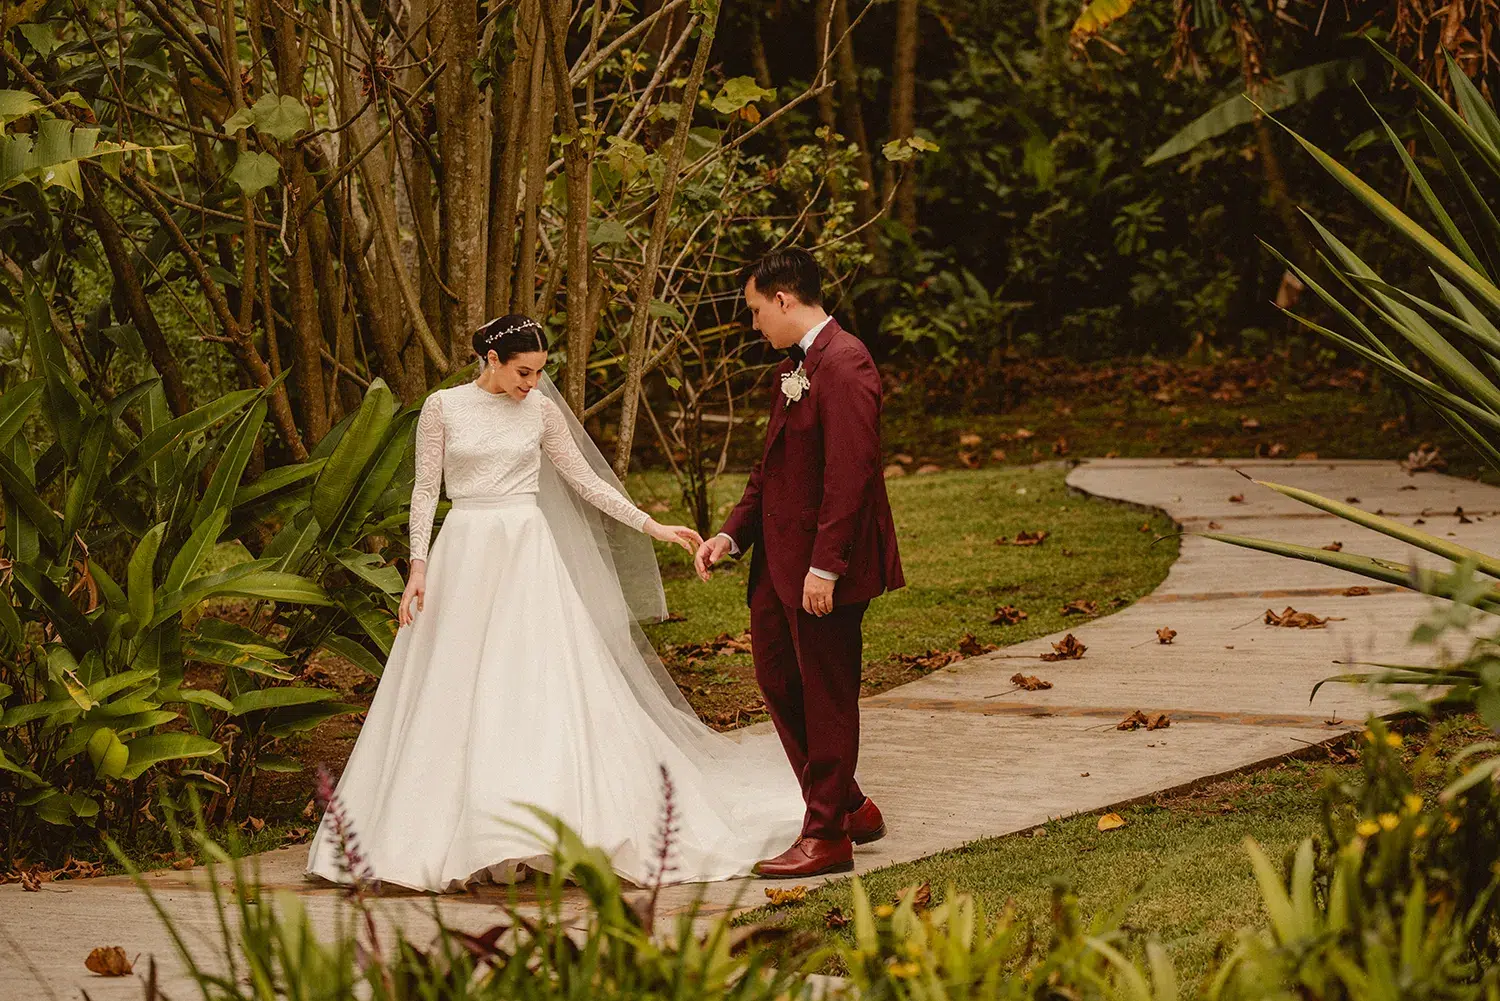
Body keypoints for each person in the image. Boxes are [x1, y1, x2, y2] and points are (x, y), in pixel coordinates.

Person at [306, 315, 804, 892]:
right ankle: (445, 834)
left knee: (534, 685)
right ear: (491, 360)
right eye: (524, 372)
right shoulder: (443, 409)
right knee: (453, 684)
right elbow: (424, 488)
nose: (534, 385)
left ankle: (542, 829)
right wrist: (418, 566)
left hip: (526, 555)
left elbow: (585, 482)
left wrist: (652, 525)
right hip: (465, 551)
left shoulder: (540, 412)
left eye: (542, 373)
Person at [695, 249, 904, 879]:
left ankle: (826, 837)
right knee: (779, 681)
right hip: (777, 564)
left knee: (826, 693)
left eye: (757, 310)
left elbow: (851, 474)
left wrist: (827, 568)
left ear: (784, 300)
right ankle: (847, 805)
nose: (754, 323)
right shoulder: (794, 369)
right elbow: (772, 471)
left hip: (822, 570)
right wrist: (732, 536)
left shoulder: (845, 363)